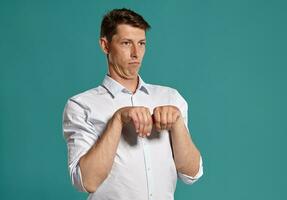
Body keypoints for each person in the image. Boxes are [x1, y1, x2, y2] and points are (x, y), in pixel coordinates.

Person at [63, 8, 203, 200]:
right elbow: (87, 181)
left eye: (142, 43)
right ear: (105, 45)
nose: (136, 53)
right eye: (126, 43)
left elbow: (192, 173)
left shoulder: (171, 98)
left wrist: (177, 122)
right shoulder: (81, 105)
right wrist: (117, 120)